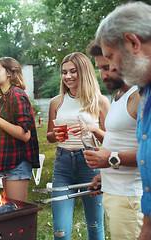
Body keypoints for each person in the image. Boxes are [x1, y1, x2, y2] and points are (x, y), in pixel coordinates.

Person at [95, 2, 151, 239]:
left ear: (132, 43)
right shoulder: (146, 91)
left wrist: (112, 159)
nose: (114, 67)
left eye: (110, 58)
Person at [46, 52, 109, 239]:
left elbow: (112, 141)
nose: (68, 76)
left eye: (73, 71)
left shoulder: (100, 101)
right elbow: (50, 137)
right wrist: (55, 134)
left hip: (91, 163)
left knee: (95, 225)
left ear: (84, 73)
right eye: (64, 72)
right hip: (62, 164)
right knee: (60, 232)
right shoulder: (56, 102)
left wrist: (93, 129)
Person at [84, 42, 142, 239]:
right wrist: (104, 175)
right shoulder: (118, 97)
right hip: (113, 192)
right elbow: (119, 139)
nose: (102, 75)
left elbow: (148, 152)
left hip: (131, 197)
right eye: (99, 68)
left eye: (106, 67)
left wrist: (110, 159)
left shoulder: (139, 97)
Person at [0, 56, 39, 202]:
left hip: (18, 162)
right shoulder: (5, 97)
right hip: (7, 162)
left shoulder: (17, 95)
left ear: (9, 73)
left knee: (16, 212)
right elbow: (8, 127)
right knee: (10, 210)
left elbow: (24, 134)